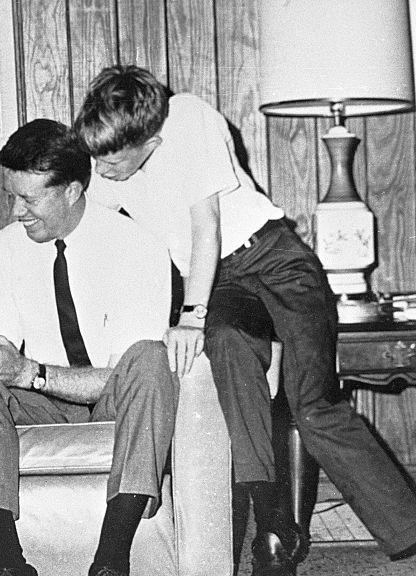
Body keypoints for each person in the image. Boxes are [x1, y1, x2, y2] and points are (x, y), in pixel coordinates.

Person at [73, 64, 416, 575]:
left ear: (150, 139)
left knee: (312, 403)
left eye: (113, 158)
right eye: (95, 156)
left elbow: (204, 225)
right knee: (230, 347)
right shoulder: (108, 169)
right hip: (224, 283)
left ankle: (409, 533)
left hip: (276, 260)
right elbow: (92, 228)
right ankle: (274, 521)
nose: (102, 170)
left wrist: (191, 316)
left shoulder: (188, 117)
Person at [0, 119, 176, 576]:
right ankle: (6, 563)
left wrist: (30, 372)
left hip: (112, 402)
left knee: (149, 357)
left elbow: (122, 375)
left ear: (72, 191)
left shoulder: (137, 246)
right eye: (12, 196)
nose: (16, 211)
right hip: (41, 404)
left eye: (29, 198)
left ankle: (111, 559)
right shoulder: (7, 246)